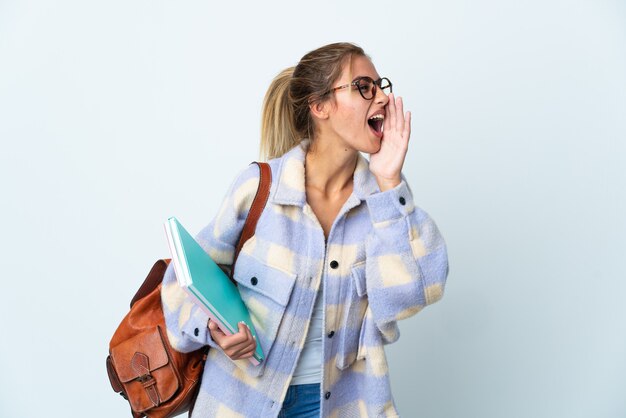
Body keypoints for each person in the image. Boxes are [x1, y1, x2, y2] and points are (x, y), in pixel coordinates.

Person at [161, 42, 449, 418]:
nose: (381, 98)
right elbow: (180, 283)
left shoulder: (384, 203)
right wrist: (216, 330)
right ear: (320, 106)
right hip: (240, 402)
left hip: (341, 406)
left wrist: (390, 182)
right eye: (364, 86)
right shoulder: (258, 189)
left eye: (381, 86)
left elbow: (410, 297)